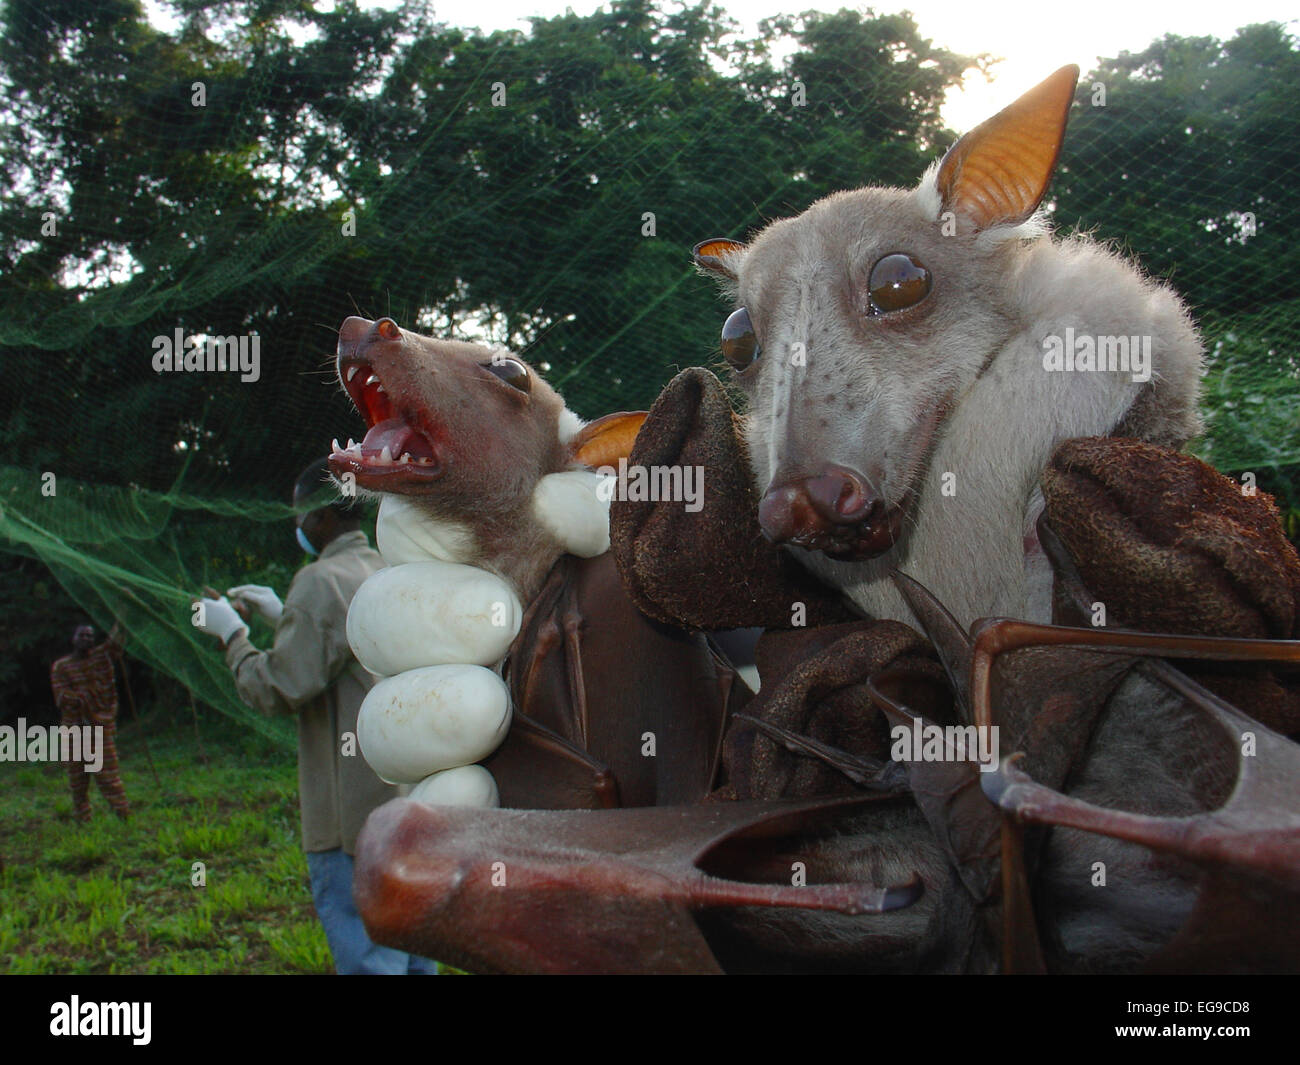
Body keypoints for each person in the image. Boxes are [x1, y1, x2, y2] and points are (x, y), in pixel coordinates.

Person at [193, 458, 437, 975]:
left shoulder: (319, 579)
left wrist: (232, 637)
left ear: (322, 518)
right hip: (407, 804)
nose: (296, 526)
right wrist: (284, 616)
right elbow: (348, 650)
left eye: (298, 514)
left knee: (368, 952)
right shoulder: (387, 568)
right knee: (413, 946)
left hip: (348, 816)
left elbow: (279, 687)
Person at [49, 621, 131, 823]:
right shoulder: (62, 666)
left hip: (99, 727)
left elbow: (117, 639)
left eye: (90, 636)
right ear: (74, 639)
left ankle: (123, 815)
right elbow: (62, 696)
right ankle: (83, 819)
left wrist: (122, 614)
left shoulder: (100, 658)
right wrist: (84, 700)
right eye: (82, 635)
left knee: (108, 775)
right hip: (74, 729)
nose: (86, 639)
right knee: (77, 779)